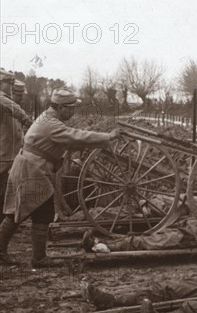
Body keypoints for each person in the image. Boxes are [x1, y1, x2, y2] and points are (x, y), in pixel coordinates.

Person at [0, 88, 121, 267]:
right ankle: (38, 259)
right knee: (39, 213)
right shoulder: (51, 124)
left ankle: (12, 253)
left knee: (17, 213)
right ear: (61, 107)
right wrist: (107, 137)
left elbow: (69, 140)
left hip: (29, 168)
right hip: (32, 171)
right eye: (70, 108)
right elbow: (74, 136)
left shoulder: (49, 119)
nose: (72, 112)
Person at [0, 71, 33, 223]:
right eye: (10, 84)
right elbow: (17, 112)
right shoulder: (3, 100)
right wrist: (31, 123)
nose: (11, 88)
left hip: (10, 156)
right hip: (3, 156)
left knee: (7, 192)